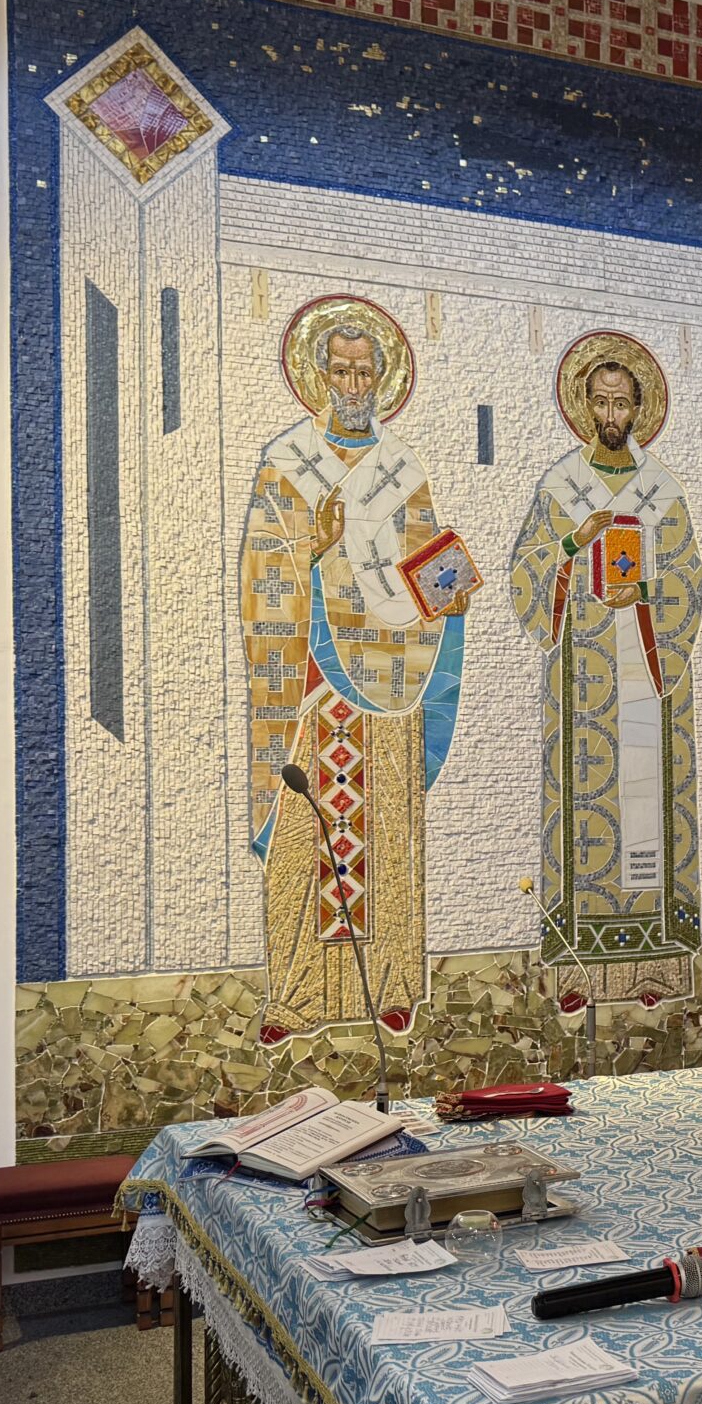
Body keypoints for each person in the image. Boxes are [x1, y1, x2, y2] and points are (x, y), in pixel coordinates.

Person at [241, 301, 464, 1041]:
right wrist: (313, 545)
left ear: (382, 378)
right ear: (319, 376)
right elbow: (263, 571)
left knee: (389, 826)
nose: (354, 383)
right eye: (341, 370)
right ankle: (296, 995)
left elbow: (427, 559)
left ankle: (393, 984)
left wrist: (451, 594)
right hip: (313, 680)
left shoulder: (403, 468)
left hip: (394, 677)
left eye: (366, 371)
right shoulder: (287, 461)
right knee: (306, 832)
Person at [509, 336, 702, 1002]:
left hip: (647, 672)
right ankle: (577, 971)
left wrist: (643, 593)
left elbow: (687, 577)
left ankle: (657, 966)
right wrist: (574, 542)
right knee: (585, 817)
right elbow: (526, 572)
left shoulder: (662, 490)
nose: (611, 413)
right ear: (584, 406)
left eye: (622, 403)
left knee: (650, 813)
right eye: (600, 401)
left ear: (639, 409)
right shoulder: (561, 486)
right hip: (582, 680)